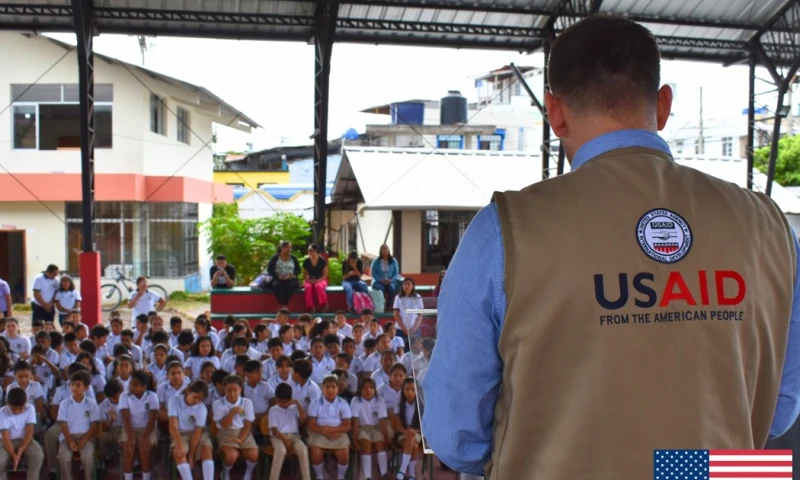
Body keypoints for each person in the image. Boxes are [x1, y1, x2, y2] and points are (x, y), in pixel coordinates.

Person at [422, 16, 800, 480]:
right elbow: (779, 412)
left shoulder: (504, 231)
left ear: (555, 112)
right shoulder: (770, 227)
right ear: (663, 105)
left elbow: (455, 433)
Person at [212, 375, 259, 480]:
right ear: (224, 389)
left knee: (254, 455)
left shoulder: (247, 403)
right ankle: (226, 472)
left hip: (243, 432)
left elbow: (248, 424)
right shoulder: (218, 404)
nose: (232, 394)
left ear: (240, 389)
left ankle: (248, 473)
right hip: (226, 432)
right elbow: (224, 425)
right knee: (231, 456)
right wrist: (233, 411)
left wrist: (240, 439)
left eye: (235, 390)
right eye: (229, 390)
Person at [56, 371, 100, 480]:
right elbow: (63, 424)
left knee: (87, 457)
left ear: (86, 387)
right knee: (63, 457)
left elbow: (94, 425)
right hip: (68, 437)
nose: (74, 387)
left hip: (86, 437)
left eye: (78, 385)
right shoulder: (64, 404)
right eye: (72, 385)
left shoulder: (91, 403)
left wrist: (83, 441)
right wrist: (70, 441)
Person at [168, 379, 215, 480]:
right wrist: (179, 445)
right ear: (188, 391)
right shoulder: (174, 400)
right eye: (195, 397)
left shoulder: (202, 408)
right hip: (179, 433)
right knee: (180, 453)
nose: (197, 401)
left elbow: (198, 432)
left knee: (206, 449)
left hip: (197, 434)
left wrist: (191, 455)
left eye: (200, 399)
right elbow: (173, 426)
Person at [307, 375, 351, 480]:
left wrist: (332, 430)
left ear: (337, 389)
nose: (330, 390)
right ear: (322, 388)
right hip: (319, 432)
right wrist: (325, 432)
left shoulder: (343, 403)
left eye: (333, 387)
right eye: (327, 387)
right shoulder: (315, 403)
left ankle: (341, 476)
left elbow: (347, 425)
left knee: (343, 452)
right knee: (316, 451)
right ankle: (319, 476)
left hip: (338, 432)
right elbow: (311, 424)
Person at [119, 370, 158, 480]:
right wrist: (131, 437)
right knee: (128, 447)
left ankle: (146, 478)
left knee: (144, 447)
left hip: (147, 428)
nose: (131, 386)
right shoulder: (124, 396)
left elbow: (152, 418)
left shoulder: (152, 396)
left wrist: (145, 437)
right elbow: (126, 418)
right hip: (129, 428)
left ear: (144, 387)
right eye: (130, 383)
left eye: (135, 385)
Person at [267, 383, 310, 480]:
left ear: (289, 399)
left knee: (303, 449)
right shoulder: (273, 410)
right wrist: (285, 439)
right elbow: (274, 431)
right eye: (279, 400)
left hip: (293, 436)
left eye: (283, 401)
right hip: (278, 437)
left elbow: (303, 418)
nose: (281, 403)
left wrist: (297, 403)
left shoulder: (294, 408)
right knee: (281, 450)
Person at [350, 377, 390, 480]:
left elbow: (383, 422)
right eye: (365, 388)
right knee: (366, 444)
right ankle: (368, 476)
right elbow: (354, 422)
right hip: (362, 428)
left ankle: (384, 474)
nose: (368, 390)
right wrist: (354, 440)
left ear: (375, 389)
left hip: (376, 428)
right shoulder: (356, 401)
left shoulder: (380, 400)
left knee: (380, 443)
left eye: (371, 388)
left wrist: (385, 438)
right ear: (360, 390)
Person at [0, 388, 43, 480]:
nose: (17, 411)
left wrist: (21, 449)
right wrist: (14, 455)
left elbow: (29, 431)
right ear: (7, 403)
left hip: (26, 440)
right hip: (6, 441)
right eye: (14, 409)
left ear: (25, 403)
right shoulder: (2, 412)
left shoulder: (30, 408)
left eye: (20, 408)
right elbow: (5, 437)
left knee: (38, 455)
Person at [267, 241, 301, 310]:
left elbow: (298, 269)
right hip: (278, 278)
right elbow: (270, 270)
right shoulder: (275, 257)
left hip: (291, 278)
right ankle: (283, 305)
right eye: (286, 247)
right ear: (281, 248)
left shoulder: (293, 258)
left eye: (290, 248)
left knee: (291, 286)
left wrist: (293, 274)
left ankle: (284, 304)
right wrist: (278, 276)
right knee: (277, 286)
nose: (289, 249)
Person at [370, 245, 402, 309]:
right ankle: (382, 306)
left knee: (392, 288)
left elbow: (396, 273)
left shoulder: (393, 260)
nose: (385, 250)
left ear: (389, 250)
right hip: (378, 281)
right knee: (381, 289)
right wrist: (380, 280)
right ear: (380, 251)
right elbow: (373, 273)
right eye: (383, 249)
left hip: (390, 280)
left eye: (386, 249)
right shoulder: (376, 261)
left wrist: (391, 280)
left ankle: (389, 307)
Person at [303, 244, 329, 313]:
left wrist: (318, 280)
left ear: (316, 251)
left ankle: (325, 304)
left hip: (321, 279)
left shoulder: (322, 261)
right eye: (308, 250)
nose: (309, 252)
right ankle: (312, 307)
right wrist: (309, 280)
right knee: (308, 287)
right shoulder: (306, 261)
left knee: (318, 286)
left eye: (311, 250)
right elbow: (305, 274)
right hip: (310, 280)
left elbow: (325, 274)